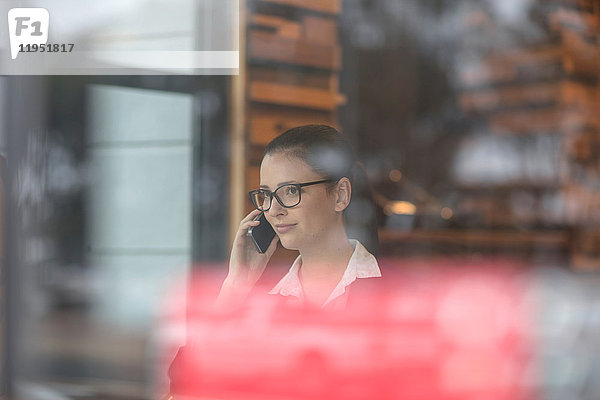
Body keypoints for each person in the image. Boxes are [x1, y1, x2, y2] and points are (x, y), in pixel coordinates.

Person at [217, 124, 381, 310]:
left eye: (291, 191)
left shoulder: (393, 292)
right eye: (267, 195)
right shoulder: (267, 305)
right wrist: (237, 283)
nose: (273, 210)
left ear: (340, 195)